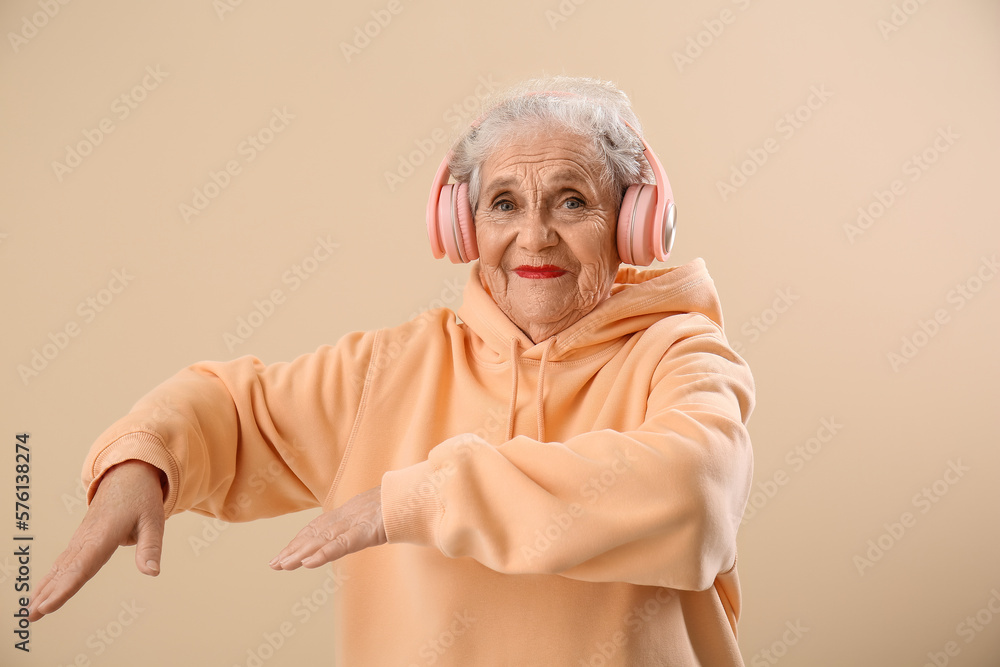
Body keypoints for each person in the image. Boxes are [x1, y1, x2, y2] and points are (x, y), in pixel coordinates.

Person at [30, 76, 755, 666]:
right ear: (464, 227)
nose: (534, 234)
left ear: (634, 221)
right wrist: (140, 461)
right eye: (504, 203)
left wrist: (416, 497)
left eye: (572, 200)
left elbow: (691, 495)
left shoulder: (682, 353)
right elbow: (229, 409)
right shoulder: (390, 369)